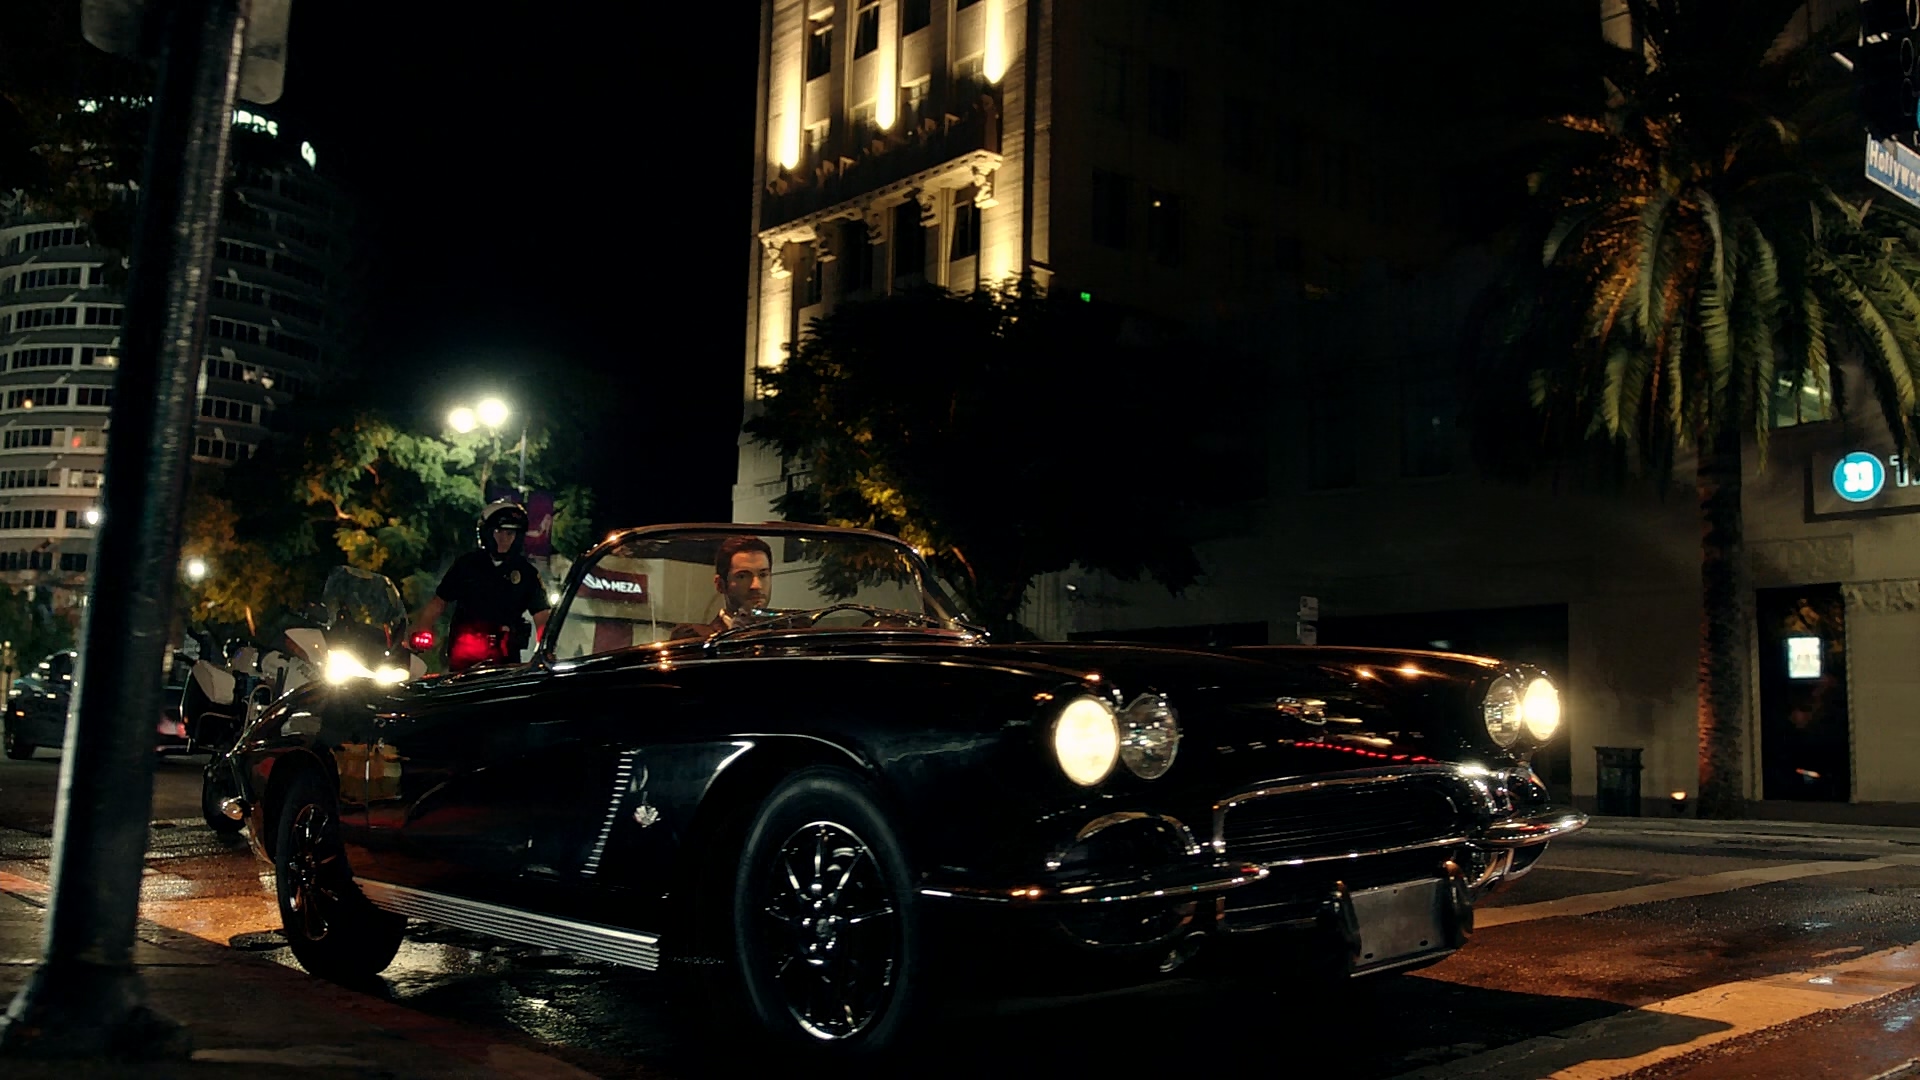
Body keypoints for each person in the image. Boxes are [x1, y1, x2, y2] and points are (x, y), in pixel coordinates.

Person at [412, 501, 551, 671]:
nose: (504, 539)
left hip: (507, 659)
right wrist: (423, 630)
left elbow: (542, 616)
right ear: (487, 532)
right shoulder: (467, 565)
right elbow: (439, 602)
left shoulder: (527, 573)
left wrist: (545, 648)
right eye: (498, 532)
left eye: (510, 533)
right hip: (463, 655)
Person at [670, 535, 774, 640]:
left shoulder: (780, 634)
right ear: (720, 584)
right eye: (742, 576)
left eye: (763, 575)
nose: (756, 585)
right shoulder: (695, 636)